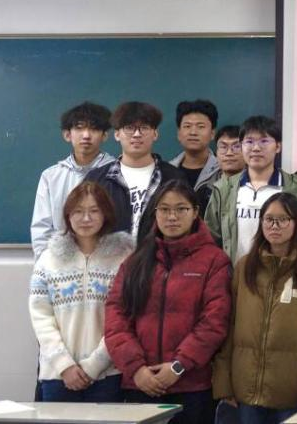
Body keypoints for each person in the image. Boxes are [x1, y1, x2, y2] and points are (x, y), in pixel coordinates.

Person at [104, 182, 232, 424]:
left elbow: (214, 322)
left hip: (192, 386)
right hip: (140, 384)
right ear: (155, 213)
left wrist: (178, 366)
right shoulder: (136, 261)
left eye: (181, 209)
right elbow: (115, 317)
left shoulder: (214, 261)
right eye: (164, 209)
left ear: (195, 212)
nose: (172, 217)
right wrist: (136, 369)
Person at [214, 193, 297, 424]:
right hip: (245, 390)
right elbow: (229, 326)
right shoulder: (245, 266)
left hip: (291, 393)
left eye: (283, 220)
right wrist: (223, 381)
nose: (274, 226)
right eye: (269, 219)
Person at [30, 182, 134, 402]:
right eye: (78, 211)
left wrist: (95, 365)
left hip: (108, 374)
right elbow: (41, 318)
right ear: (67, 215)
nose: (86, 218)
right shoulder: (48, 260)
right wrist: (64, 365)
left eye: (94, 211)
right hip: (57, 375)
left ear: (105, 214)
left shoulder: (123, 259)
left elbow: (127, 317)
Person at [205, 116, 297, 263]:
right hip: (236, 274)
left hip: (282, 275)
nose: (256, 148)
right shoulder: (223, 189)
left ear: (278, 146)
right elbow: (210, 239)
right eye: (249, 142)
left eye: (264, 141)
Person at [85, 102, 185, 239]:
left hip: (160, 252)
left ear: (155, 134)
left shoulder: (174, 178)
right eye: (129, 128)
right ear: (117, 134)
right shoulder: (96, 180)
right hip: (110, 252)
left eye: (144, 128)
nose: (137, 134)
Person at [32, 101, 116, 258]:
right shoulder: (51, 176)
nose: (86, 135)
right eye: (79, 128)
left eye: (94, 129)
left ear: (105, 135)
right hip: (62, 261)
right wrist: (46, 265)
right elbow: (42, 228)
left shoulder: (118, 173)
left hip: (107, 260)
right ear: (67, 135)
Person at [171, 100, 220, 198]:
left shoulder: (223, 171)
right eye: (187, 126)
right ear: (179, 134)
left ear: (212, 134)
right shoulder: (167, 171)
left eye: (201, 127)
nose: (193, 132)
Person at [196, 125, 244, 208]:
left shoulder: (258, 187)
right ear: (216, 154)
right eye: (223, 147)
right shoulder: (205, 190)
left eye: (237, 147)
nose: (229, 153)